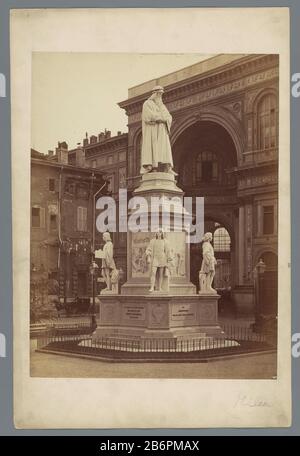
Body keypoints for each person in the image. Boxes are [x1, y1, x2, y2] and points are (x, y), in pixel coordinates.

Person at [140, 85, 174, 174]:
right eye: (159, 94)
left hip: (162, 130)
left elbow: (169, 117)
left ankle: (168, 168)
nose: (160, 97)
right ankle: (151, 167)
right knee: (153, 148)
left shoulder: (162, 106)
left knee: (164, 149)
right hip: (153, 131)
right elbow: (148, 116)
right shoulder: (147, 103)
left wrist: (164, 119)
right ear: (154, 94)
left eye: (161, 95)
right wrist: (160, 118)